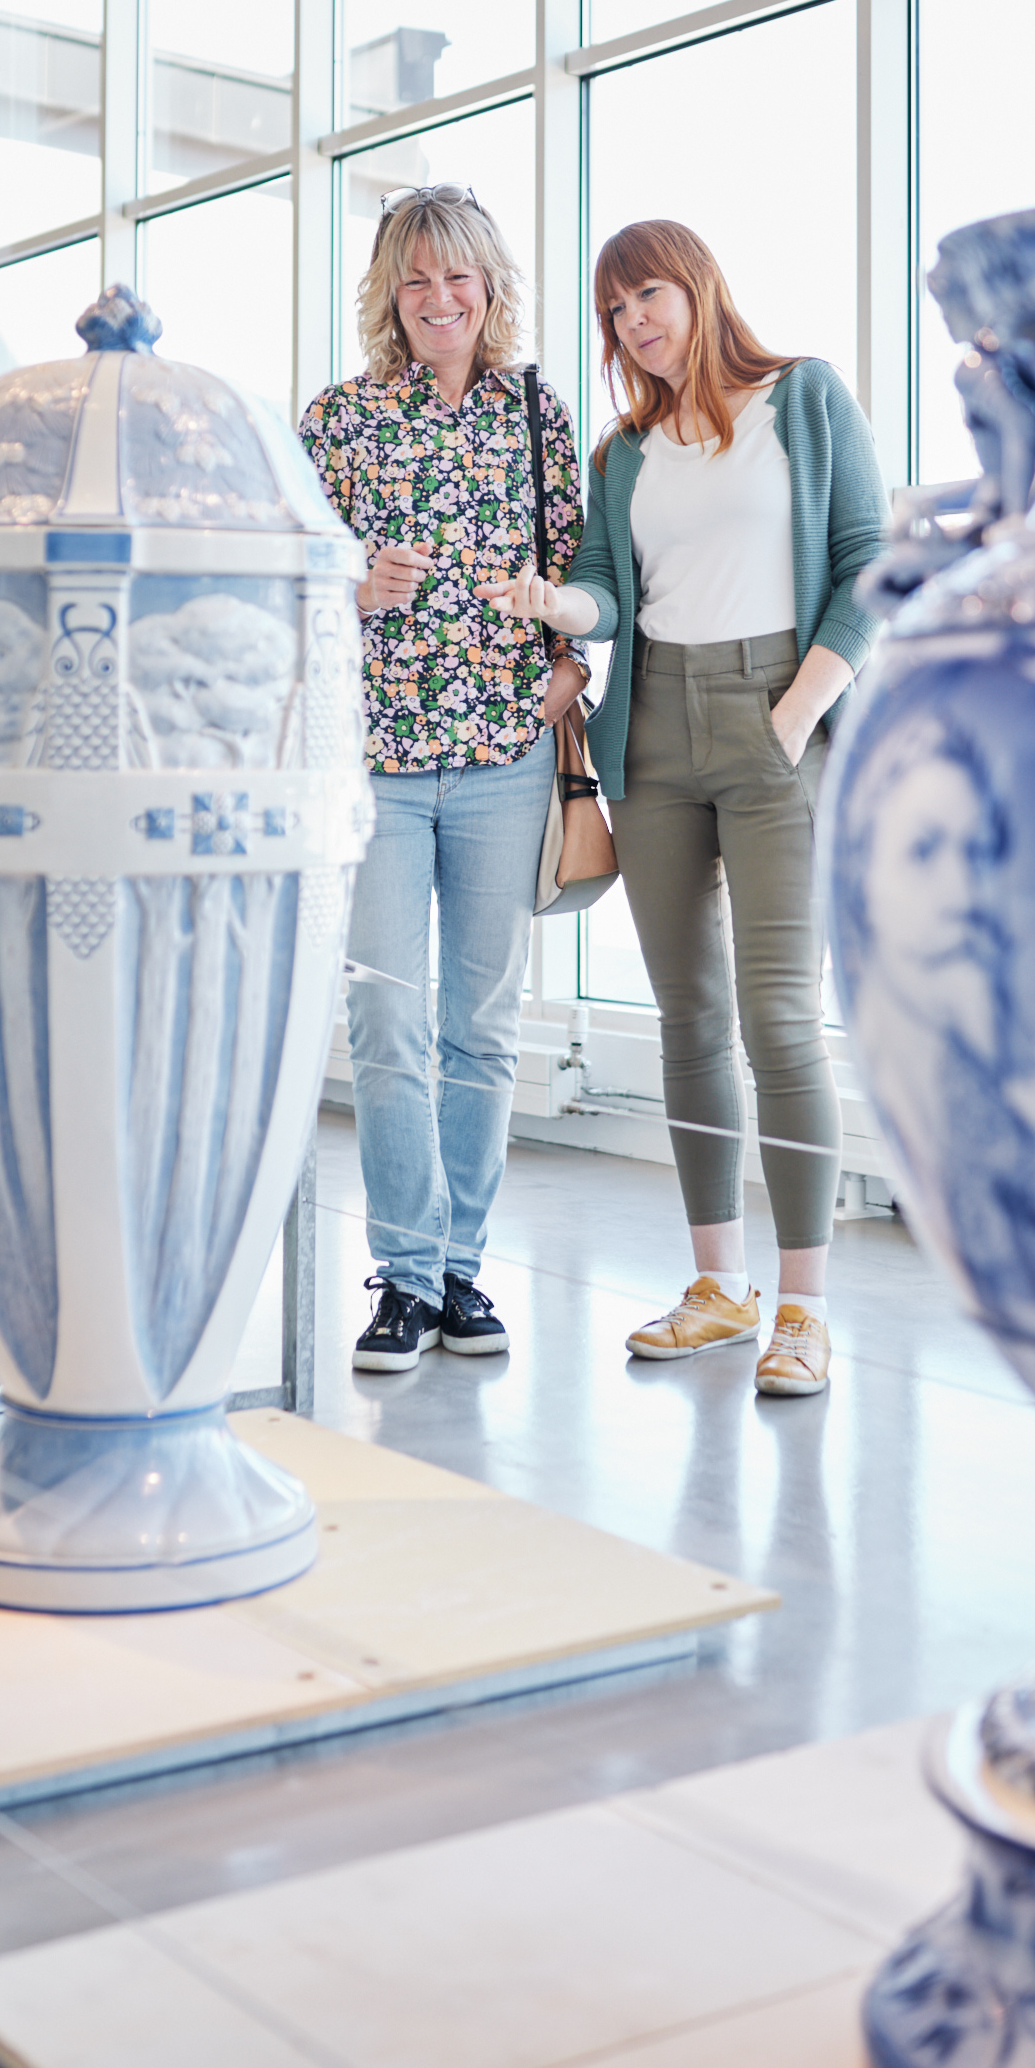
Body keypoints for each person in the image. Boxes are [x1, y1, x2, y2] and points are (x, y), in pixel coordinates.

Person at [479, 219, 885, 1395]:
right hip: (655, 733)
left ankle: (801, 1306)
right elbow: (610, 585)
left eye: (646, 295)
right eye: (613, 312)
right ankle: (719, 1286)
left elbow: (866, 560)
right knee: (688, 1021)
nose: (633, 324)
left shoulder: (802, 400)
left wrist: (801, 711)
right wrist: (560, 607)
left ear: (696, 286)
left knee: (780, 1021)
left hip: (776, 722)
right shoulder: (622, 454)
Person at [300, 185, 588, 1373]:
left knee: (479, 1024)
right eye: (412, 279)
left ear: (490, 284)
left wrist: (573, 660)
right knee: (383, 1015)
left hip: (505, 755)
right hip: (375, 761)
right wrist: (349, 586)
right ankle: (404, 1276)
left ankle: (459, 1268)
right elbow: (285, 573)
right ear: (388, 294)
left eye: (455, 276)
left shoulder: (535, 411)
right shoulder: (337, 421)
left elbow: (584, 566)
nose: (437, 299)